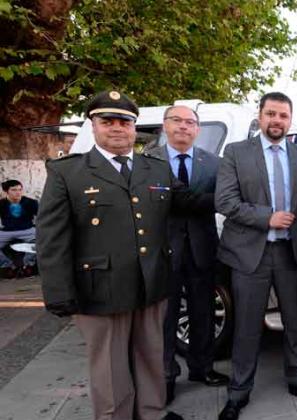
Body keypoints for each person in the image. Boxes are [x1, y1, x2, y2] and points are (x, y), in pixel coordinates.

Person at [36, 90, 208, 420]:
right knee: (110, 369)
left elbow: (187, 201)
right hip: (101, 288)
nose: (117, 128)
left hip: (151, 284)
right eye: (108, 121)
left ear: (134, 127)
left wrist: (238, 197)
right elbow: (52, 239)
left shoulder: (154, 168)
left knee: (151, 358)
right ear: (93, 125)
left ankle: (152, 413)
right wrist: (58, 293)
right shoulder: (68, 173)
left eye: (125, 122)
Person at [214, 92, 297, 420]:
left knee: (295, 323)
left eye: (283, 116)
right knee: (247, 326)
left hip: (291, 251)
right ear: (260, 117)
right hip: (251, 254)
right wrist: (267, 217)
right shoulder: (235, 153)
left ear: (290, 121)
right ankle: (238, 392)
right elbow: (225, 201)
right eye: (271, 114)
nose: (277, 121)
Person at [152, 105, 228, 404]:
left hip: (202, 248)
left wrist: (179, 199)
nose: (184, 127)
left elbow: (224, 199)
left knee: (203, 313)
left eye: (191, 122)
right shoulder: (147, 161)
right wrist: (201, 201)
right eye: (177, 121)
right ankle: (166, 376)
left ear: (198, 129)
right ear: (165, 125)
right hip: (163, 250)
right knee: (166, 318)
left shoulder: (213, 163)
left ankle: (202, 368)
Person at [0, 180, 38, 278]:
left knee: (40, 242)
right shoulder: (1, 204)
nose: (18, 192)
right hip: (6, 231)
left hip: (27, 230)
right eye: (14, 190)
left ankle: (28, 266)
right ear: (6, 191)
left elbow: (42, 217)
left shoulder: (31, 202)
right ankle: (7, 267)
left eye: (20, 190)